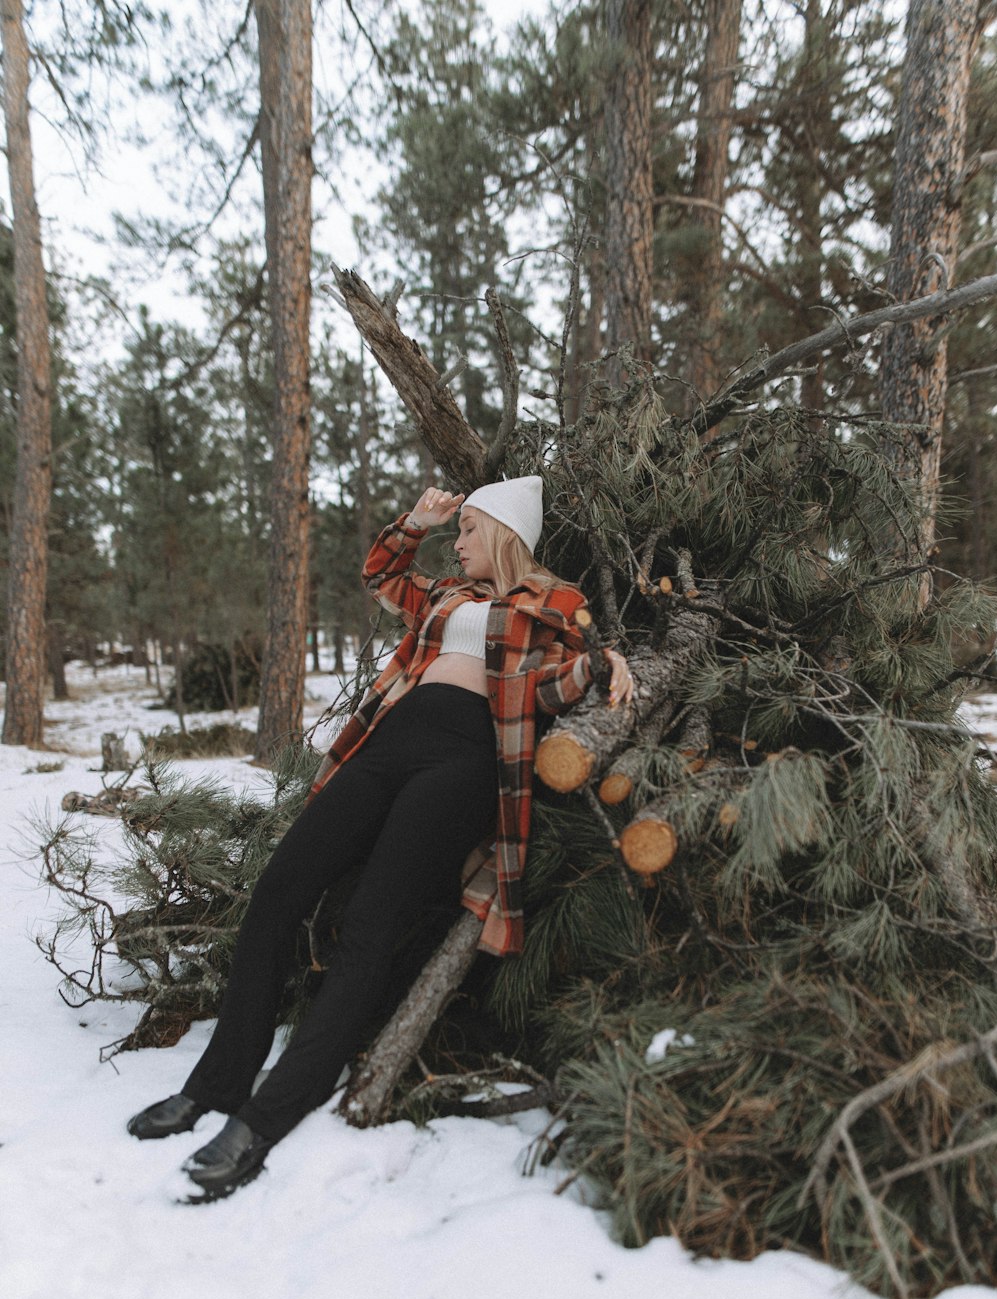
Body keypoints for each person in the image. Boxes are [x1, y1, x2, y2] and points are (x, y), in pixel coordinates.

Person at [126, 475, 634, 1200]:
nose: (456, 547)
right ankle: (210, 1086)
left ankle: (262, 1120)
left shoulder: (554, 601)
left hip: (463, 759)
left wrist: (606, 662)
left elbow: (557, 682)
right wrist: (417, 523)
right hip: (389, 742)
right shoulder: (447, 597)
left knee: (368, 925)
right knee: (277, 895)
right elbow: (382, 574)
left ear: (500, 531)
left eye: (466, 532)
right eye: (453, 536)